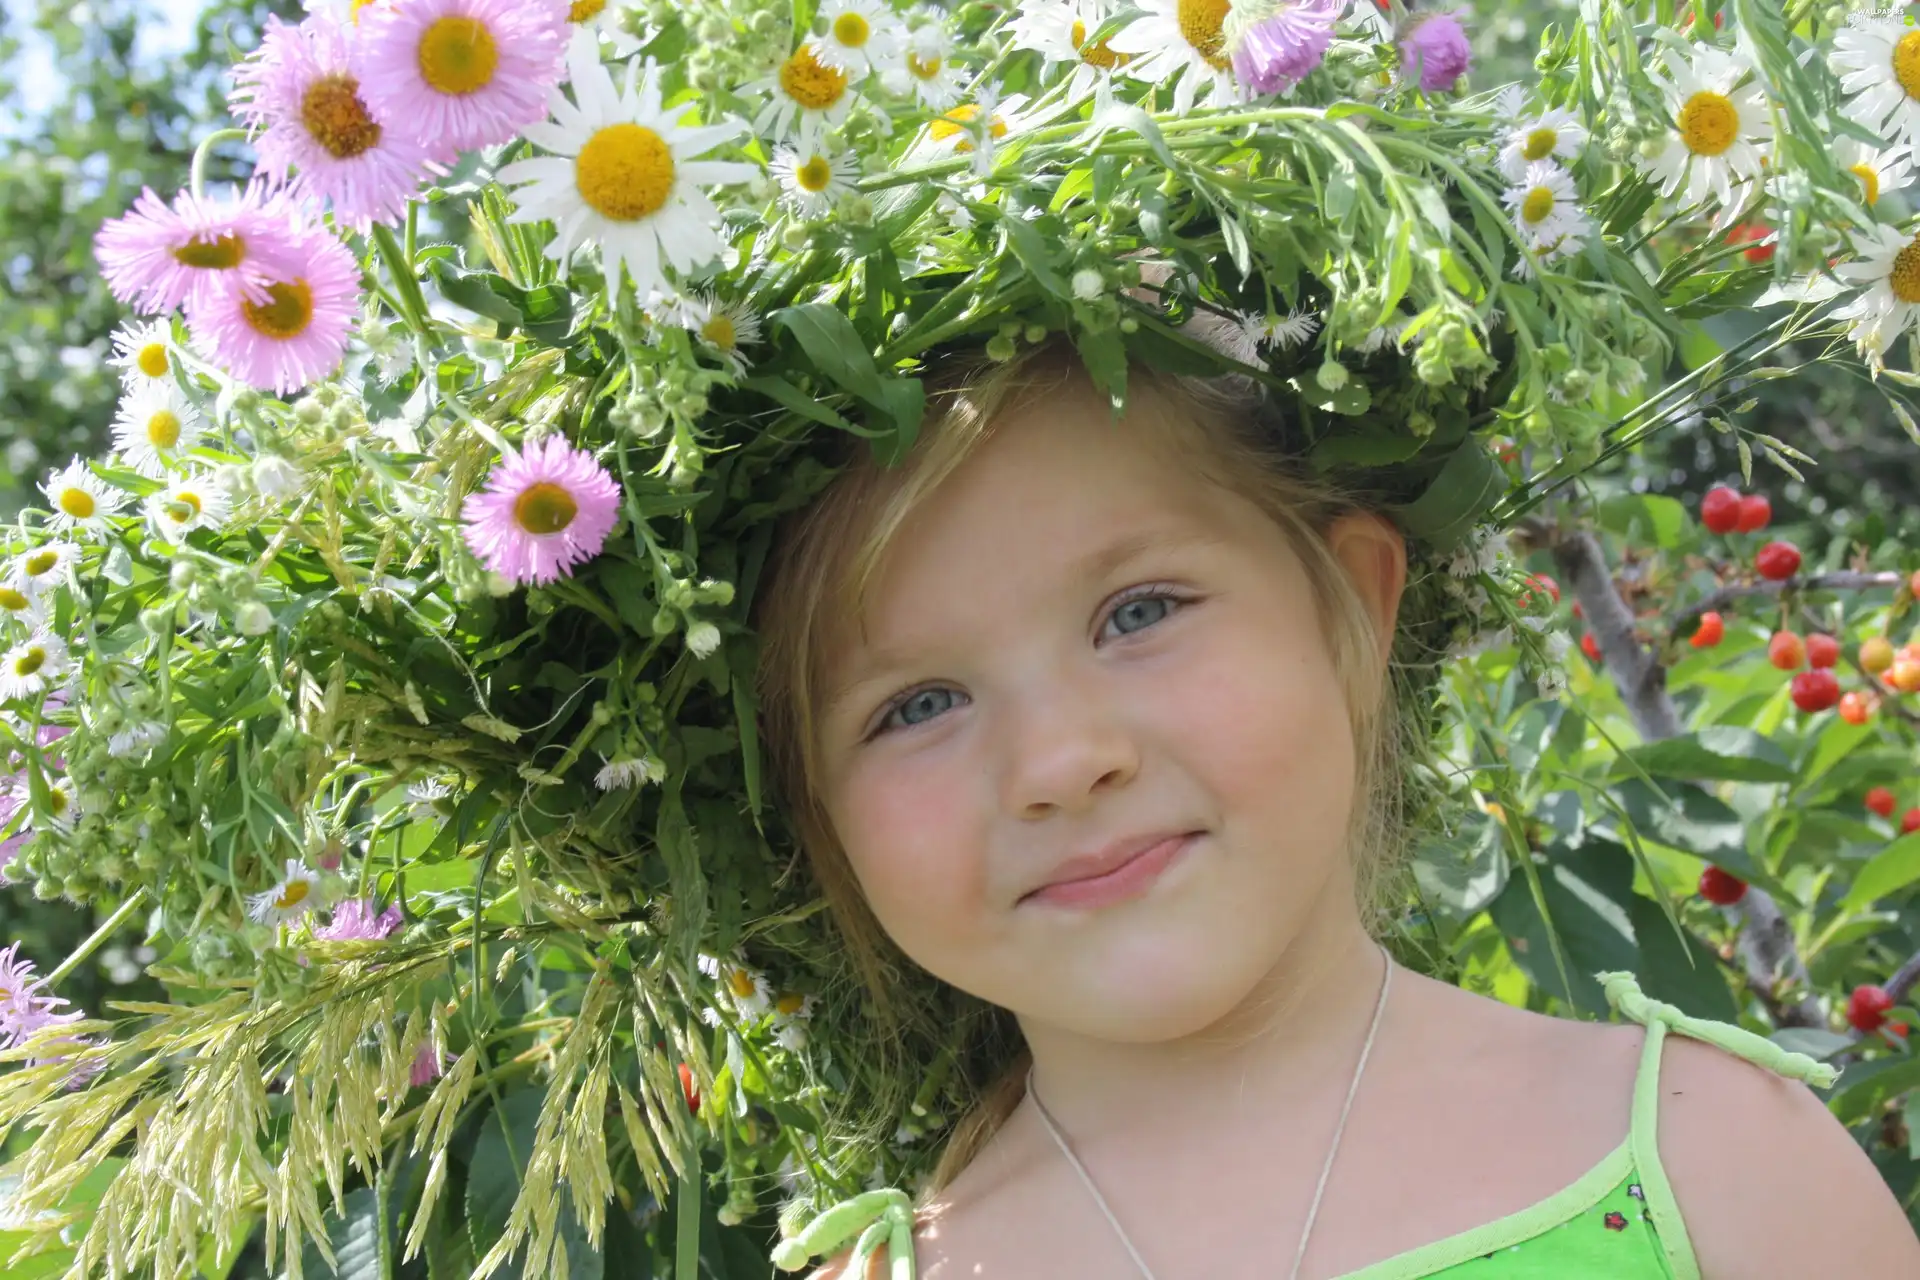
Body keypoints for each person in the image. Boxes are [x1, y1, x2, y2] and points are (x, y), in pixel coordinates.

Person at [752, 339, 1920, 1278]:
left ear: (1351, 614)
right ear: (816, 817)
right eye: (916, 704)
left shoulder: (1710, 1157)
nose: (1059, 760)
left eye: (1139, 611)